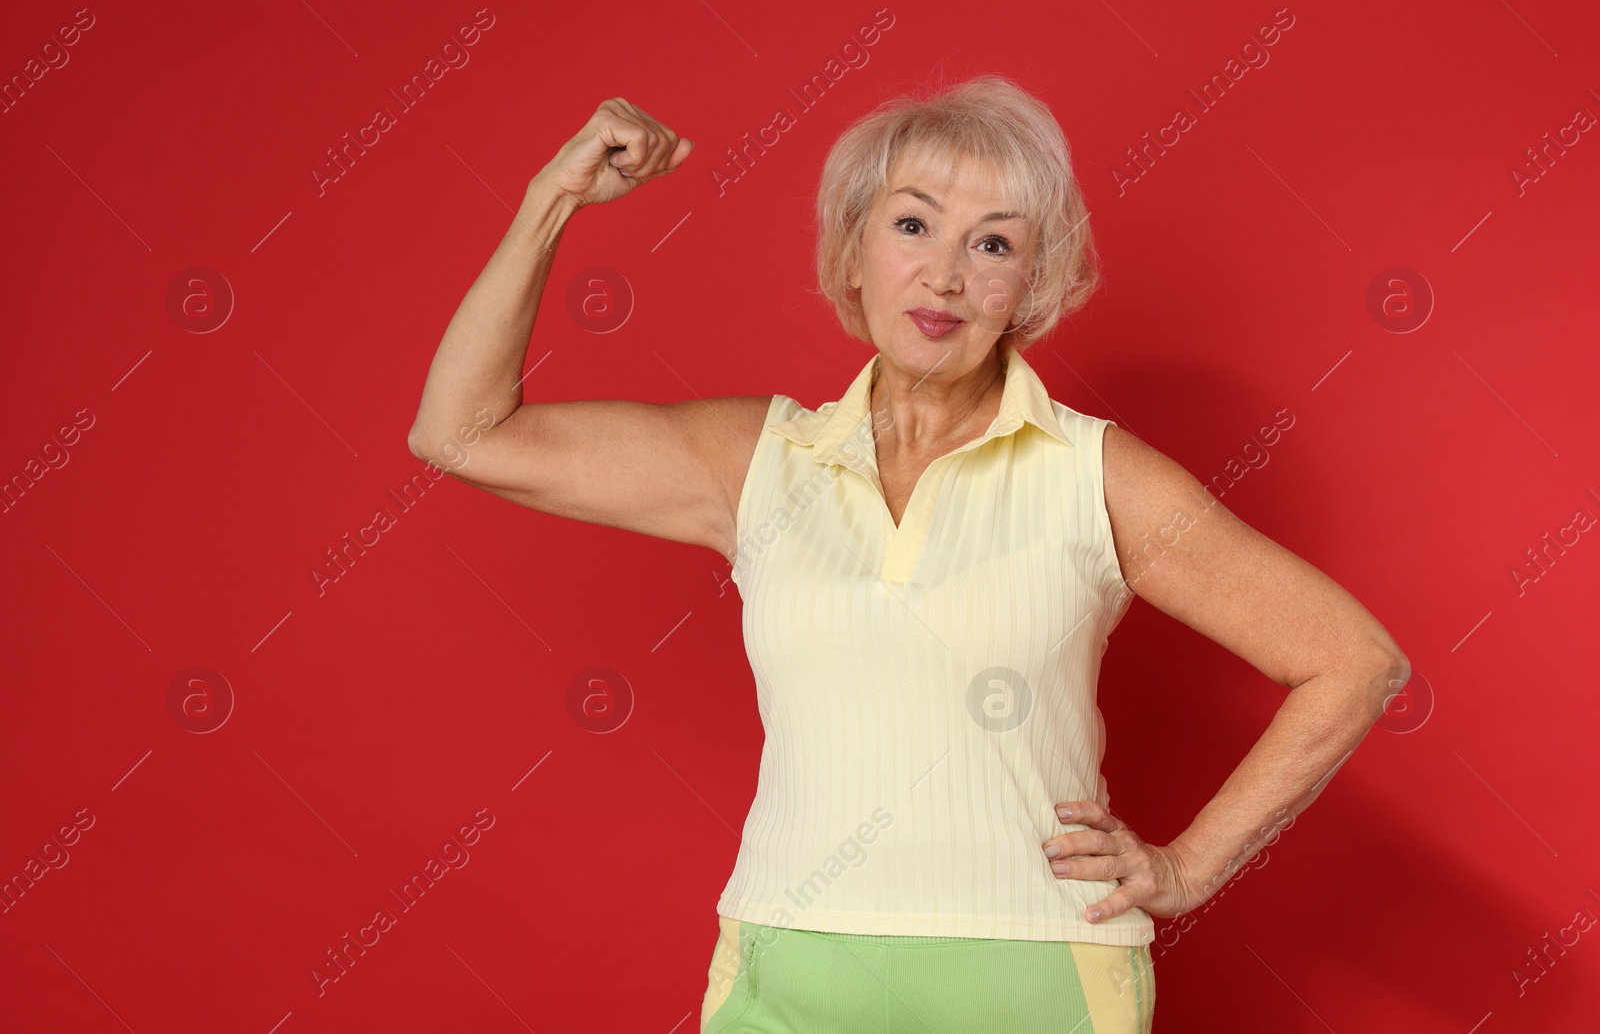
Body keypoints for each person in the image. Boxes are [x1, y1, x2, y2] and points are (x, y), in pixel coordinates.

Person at [407, 77, 1410, 1034]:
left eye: (994, 243)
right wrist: (554, 200)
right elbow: (460, 433)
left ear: (1029, 284)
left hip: (1034, 975)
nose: (945, 273)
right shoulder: (759, 459)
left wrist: (1187, 866)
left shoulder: (1094, 474)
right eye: (912, 223)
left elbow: (1353, 659)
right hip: (790, 966)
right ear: (853, 253)